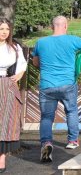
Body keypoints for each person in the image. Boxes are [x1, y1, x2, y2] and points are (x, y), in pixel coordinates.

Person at [32, 16, 81, 162]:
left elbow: (35, 62)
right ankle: (72, 141)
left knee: (47, 117)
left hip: (47, 85)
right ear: (66, 26)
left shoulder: (40, 42)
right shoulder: (73, 40)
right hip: (68, 84)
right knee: (71, 111)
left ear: (51, 27)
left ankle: (46, 143)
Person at [0, 18, 27, 173]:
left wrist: (19, 75)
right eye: (1, 28)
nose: (4, 32)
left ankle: (1, 160)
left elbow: (23, 64)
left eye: (7, 29)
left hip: (7, 85)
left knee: (5, 123)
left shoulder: (14, 47)